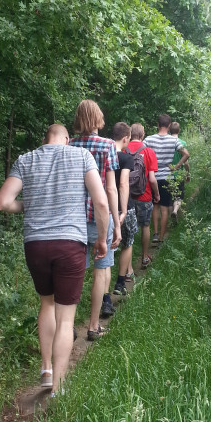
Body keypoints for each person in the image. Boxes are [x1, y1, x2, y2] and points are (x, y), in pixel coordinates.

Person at [0, 124, 109, 385]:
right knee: (66, 316)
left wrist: (29, 204)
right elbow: (101, 202)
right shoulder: (81, 156)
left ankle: (46, 370)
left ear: (44, 139)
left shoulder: (26, 159)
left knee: (46, 303)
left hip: (35, 245)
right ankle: (58, 386)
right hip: (70, 244)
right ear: (67, 140)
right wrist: (102, 239)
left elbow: (2, 202)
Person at [68, 100, 121, 337]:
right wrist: (116, 223)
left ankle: (68, 326)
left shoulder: (69, 145)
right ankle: (93, 325)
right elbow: (110, 189)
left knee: (75, 273)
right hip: (100, 219)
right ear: (98, 118)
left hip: (73, 220)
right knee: (101, 271)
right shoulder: (107, 145)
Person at [144, 114, 190, 244]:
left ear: (158, 125)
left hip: (153, 177)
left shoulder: (149, 139)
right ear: (169, 126)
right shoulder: (174, 141)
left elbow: (141, 152)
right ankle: (161, 238)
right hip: (167, 177)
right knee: (165, 208)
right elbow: (186, 154)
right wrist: (176, 167)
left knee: (155, 206)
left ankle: (155, 233)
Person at [127, 123, 159, 269]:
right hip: (144, 196)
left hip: (126, 197)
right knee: (145, 226)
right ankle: (144, 257)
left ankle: (127, 269)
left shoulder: (123, 149)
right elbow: (152, 179)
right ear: (142, 135)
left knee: (128, 231)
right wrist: (156, 194)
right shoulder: (148, 152)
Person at [111, 122, 136, 296]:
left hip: (105, 206)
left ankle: (104, 295)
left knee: (107, 247)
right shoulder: (126, 157)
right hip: (124, 207)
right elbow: (123, 184)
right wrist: (124, 209)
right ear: (126, 138)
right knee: (127, 244)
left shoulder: (104, 154)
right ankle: (120, 283)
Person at [169, 121, 190, 222]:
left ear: (169, 130)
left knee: (169, 197)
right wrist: (187, 174)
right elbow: (186, 163)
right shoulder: (182, 143)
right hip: (179, 175)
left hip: (167, 174)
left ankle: (169, 218)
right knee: (179, 196)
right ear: (179, 130)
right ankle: (175, 211)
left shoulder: (166, 142)